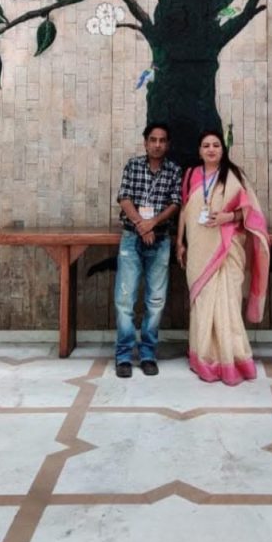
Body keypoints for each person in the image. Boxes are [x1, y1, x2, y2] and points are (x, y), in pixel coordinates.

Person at [176, 130, 270, 386]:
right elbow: (184, 209)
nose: (211, 149)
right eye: (206, 145)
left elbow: (250, 211)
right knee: (203, 302)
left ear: (222, 149)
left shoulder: (234, 176)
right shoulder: (190, 175)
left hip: (227, 250)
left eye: (216, 145)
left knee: (227, 303)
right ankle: (203, 356)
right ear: (199, 150)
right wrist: (179, 242)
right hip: (198, 248)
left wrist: (229, 217)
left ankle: (232, 358)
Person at [114, 122, 182, 378]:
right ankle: (123, 356)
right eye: (153, 140)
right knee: (125, 300)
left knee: (155, 301)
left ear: (168, 144)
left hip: (160, 240)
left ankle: (147, 354)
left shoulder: (174, 170)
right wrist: (142, 226)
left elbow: (175, 202)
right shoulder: (133, 166)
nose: (157, 144)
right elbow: (124, 197)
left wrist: (152, 223)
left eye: (162, 140)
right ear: (145, 142)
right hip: (131, 238)